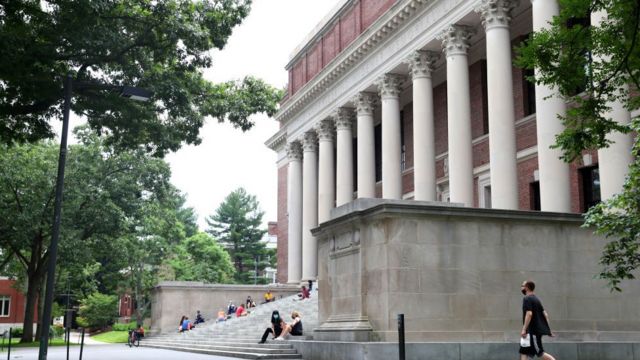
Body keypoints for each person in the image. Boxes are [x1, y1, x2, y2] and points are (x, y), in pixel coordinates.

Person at [519, 280, 556, 360]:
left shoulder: (527, 299)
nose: (521, 287)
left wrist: (524, 329)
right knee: (524, 351)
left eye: (522, 286)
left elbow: (529, 314)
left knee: (539, 352)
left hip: (532, 332)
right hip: (530, 333)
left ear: (527, 287)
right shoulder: (536, 299)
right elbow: (545, 314)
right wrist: (548, 330)